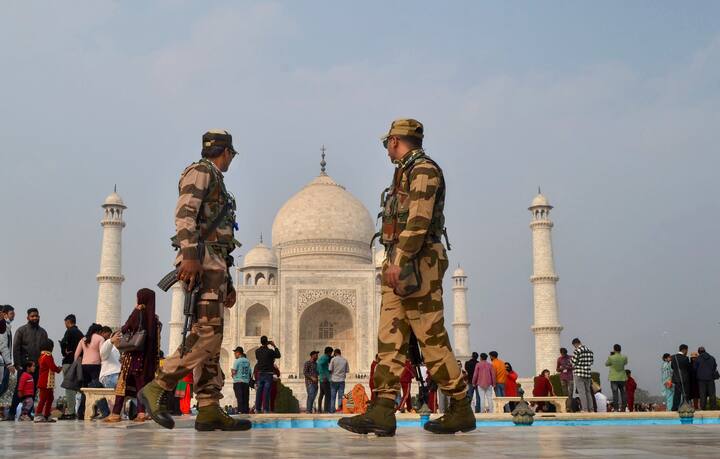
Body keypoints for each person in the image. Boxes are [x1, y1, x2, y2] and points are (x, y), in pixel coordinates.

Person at [339, 119, 474, 437]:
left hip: (417, 264)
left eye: (387, 142)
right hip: (397, 263)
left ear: (396, 141)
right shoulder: (403, 171)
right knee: (390, 340)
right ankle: (383, 410)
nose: (386, 149)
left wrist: (399, 260)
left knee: (430, 339)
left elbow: (418, 221)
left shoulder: (424, 169)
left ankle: (460, 406)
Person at [140, 130, 249, 432]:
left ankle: (209, 407)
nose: (231, 159)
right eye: (232, 154)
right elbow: (185, 213)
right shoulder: (200, 171)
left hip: (214, 265)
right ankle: (158, 385)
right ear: (225, 152)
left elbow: (220, 236)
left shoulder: (215, 178)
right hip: (201, 262)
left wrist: (227, 280)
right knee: (207, 336)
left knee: (212, 342)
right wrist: (189, 255)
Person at [105, 288, 162, 423]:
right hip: (147, 360)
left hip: (133, 357)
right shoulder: (155, 319)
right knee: (141, 385)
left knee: (122, 383)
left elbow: (126, 328)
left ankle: (115, 413)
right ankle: (141, 413)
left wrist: (135, 311)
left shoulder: (138, 313)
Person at [11, 307, 47, 419]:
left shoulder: (43, 332)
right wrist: (17, 364)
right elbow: (16, 348)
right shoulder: (21, 331)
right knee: (19, 390)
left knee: (32, 391)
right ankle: (12, 413)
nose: (35, 318)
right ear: (28, 317)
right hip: (24, 367)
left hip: (37, 367)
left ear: (39, 317)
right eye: (32, 316)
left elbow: (45, 350)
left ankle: (27, 414)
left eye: (36, 316)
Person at [59, 314, 83, 420]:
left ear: (68, 322)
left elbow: (64, 343)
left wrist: (64, 352)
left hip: (69, 362)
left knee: (69, 388)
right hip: (79, 362)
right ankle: (82, 411)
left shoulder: (69, 331)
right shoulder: (80, 333)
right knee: (80, 387)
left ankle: (71, 412)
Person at [35, 339, 61, 422]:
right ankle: (38, 414)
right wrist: (59, 369)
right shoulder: (48, 356)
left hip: (45, 382)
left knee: (50, 398)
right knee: (44, 399)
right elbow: (52, 367)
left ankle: (46, 415)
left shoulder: (42, 356)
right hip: (45, 382)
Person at [254, 336, 281, 414]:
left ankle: (258, 409)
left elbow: (258, 357)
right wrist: (274, 346)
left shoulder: (257, 351)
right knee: (266, 392)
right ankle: (265, 409)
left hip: (260, 373)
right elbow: (278, 355)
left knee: (259, 392)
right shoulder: (270, 351)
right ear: (267, 342)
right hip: (268, 374)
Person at [0, 306, 16, 421]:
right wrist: (9, 363)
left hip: (4, 361)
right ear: (4, 314)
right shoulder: (3, 326)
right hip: (3, 361)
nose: (13, 315)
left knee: (4, 386)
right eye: (11, 314)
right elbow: (3, 345)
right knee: (2, 385)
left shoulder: (6, 326)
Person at [571, 338, 594, 413]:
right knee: (588, 392)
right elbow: (591, 362)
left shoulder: (577, 351)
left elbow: (573, 362)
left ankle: (585, 409)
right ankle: (591, 409)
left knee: (582, 392)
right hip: (587, 373)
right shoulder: (589, 350)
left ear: (575, 344)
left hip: (579, 373)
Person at [605, 344, 628, 412]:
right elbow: (625, 363)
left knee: (615, 395)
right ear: (620, 349)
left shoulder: (611, 357)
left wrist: (611, 356)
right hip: (622, 378)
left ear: (614, 349)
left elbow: (606, 364)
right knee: (623, 394)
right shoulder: (624, 357)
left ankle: (616, 409)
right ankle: (623, 408)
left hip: (614, 378)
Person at [670, 344, 691, 411]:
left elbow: (672, 367)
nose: (687, 352)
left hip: (676, 379)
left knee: (677, 395)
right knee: (685, 394)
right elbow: (688, 368)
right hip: (684, 379)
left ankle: (674, 408)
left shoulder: (673, 357)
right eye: (687, 350)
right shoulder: (686, 358)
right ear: (684, 350)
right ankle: (685, 408)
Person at [329, 348, 349, 413]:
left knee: (333, 397)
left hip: (334, 380)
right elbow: (347, 370)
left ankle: (332, 410)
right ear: (340, 353)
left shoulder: (333, 359)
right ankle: (340, 410)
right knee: (340, 397)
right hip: (341, 380)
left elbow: (330, 369)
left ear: (335, 353)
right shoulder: (345, 360)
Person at [231, 346, 251, 414]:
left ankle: (240, 412)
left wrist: (233, 375)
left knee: (240, 398)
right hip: (246, 382)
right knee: (245, 398)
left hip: (238, 382)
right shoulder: (247, 361)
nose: (234, 354)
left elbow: (234, 372)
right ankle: (246, 412)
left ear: (238, 353)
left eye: (235, 353)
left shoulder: (237, 361)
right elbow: (250, 372)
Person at [556, 347, 574, 412]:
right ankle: (566, 407)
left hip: (570, 377)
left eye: (564, 353)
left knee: (570, 393)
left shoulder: (571, 357)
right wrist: (560, 369)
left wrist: (567, 367)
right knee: (565, 394)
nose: (562, 355)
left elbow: (574, 367)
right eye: (562, 354)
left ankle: (569, 407)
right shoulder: (559, 359)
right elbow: (557, 369)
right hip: (562, 378)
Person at [317, 346, 333, 413]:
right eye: (331, 353)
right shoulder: (326, 357)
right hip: (325, 379)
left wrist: (321, 374)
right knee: (328, 394)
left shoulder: (321, 357)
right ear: (329, 352)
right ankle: (326, 409)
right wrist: (324, 375)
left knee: (321, 394)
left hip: (321, 378)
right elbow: (320, 365)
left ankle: (320, 409)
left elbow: (319, 365)